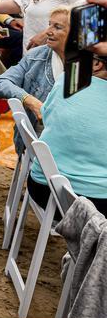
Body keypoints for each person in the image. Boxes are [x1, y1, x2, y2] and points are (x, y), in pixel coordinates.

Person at [27, 53, 107, 217]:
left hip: (44, 188)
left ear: (96, 64)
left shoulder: (67, 79)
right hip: (96, 203)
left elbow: (47, 117)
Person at [0, 7, 70, 155]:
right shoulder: (37, 56)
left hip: (71, 140)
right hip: (38, 142)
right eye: (49, 24)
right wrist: (28, 99)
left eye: (57, 27)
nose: (48, 31)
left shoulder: (91, 64)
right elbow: (0, 83)